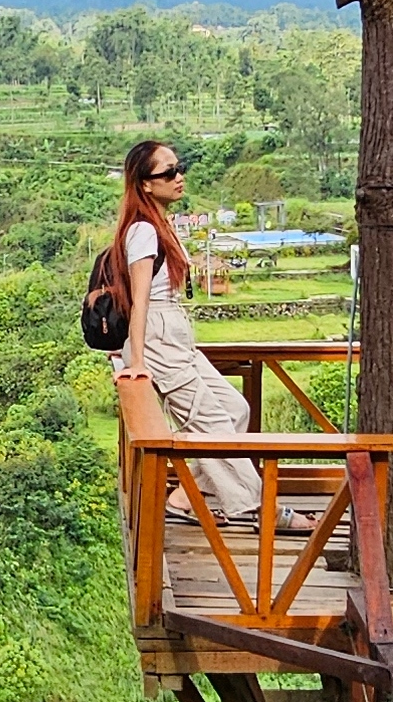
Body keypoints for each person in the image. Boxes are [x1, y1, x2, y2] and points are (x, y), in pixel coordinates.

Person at [107, 141, 314, 534]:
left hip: (175, 334)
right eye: (168, 172)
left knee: (234, 409)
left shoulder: (159, 224)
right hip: (159, 338)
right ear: (146, 184)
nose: (178, 177)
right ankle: (263, 510)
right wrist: (137, 361)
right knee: (213, 426)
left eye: (179, 167)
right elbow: (139, 301)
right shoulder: (143, 232)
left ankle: (184, 498)